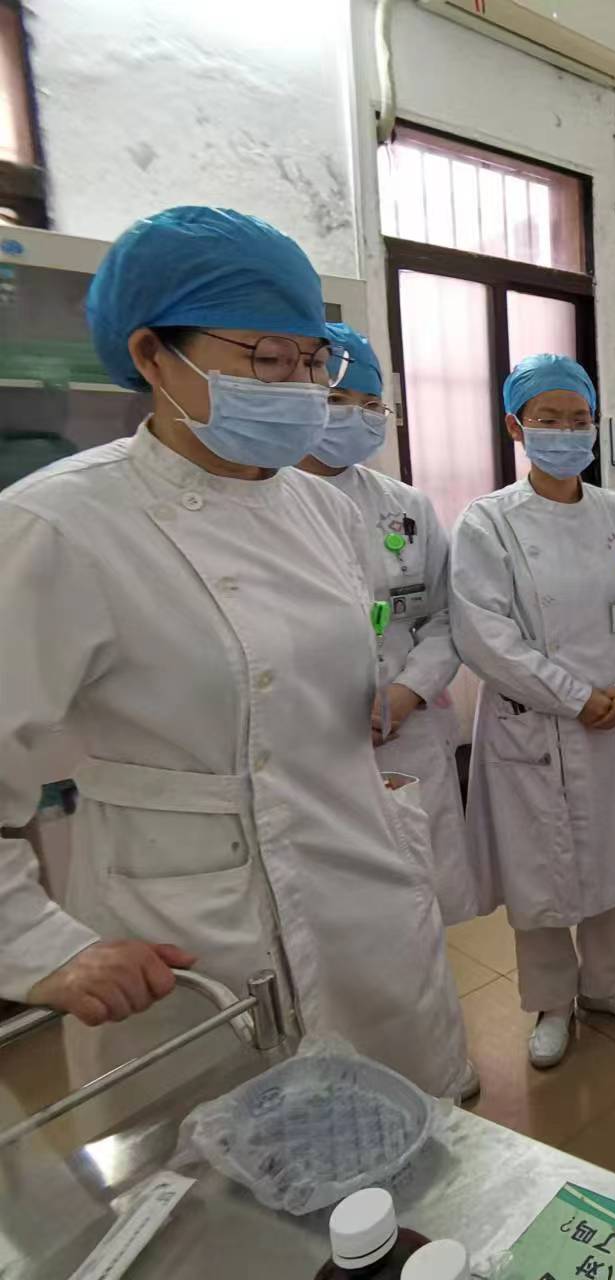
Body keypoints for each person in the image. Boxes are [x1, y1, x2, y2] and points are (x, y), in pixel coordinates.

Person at [0, 206, 471, 1101]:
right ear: (152, 356)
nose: (301, 387)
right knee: (225, 1164)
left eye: (313, 361)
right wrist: (36, 946)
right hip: (190, 926)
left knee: (402, 1129)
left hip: (360, 885)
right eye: (267, 359)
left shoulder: (322, 509)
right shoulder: (59, 525)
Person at [451, 354, 615, 1069]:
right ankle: (550, 1001)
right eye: (549, 419)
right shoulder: (488, 522)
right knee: (539, 870)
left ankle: (607, 985)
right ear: (516, 427)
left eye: (579, 420)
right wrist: (576, 696)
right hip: (537, 723)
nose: (567, 433)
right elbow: (484, 634)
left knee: (610, 857)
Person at [296, 322, 483, 926]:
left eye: (371, 404)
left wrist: (407, 691)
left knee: (421, 894)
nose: (357, 416)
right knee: (335, 912)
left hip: (408, 727)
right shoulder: (265, 502)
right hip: (311, 738)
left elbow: (446, 613)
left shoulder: (406, 506)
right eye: (337, 400)